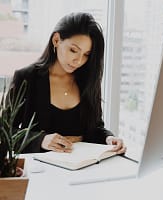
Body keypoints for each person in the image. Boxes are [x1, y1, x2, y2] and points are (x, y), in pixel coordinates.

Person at [9, 12, 126, 154]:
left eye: (86, 55)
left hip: (81, 166)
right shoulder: (26, 78)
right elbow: (5, 133)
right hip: (40, 169)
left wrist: (108, 138)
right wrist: (41, 140)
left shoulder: (88, 79)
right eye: (73, 50)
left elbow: (94, 128)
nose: (79, 60)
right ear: (56, 40)